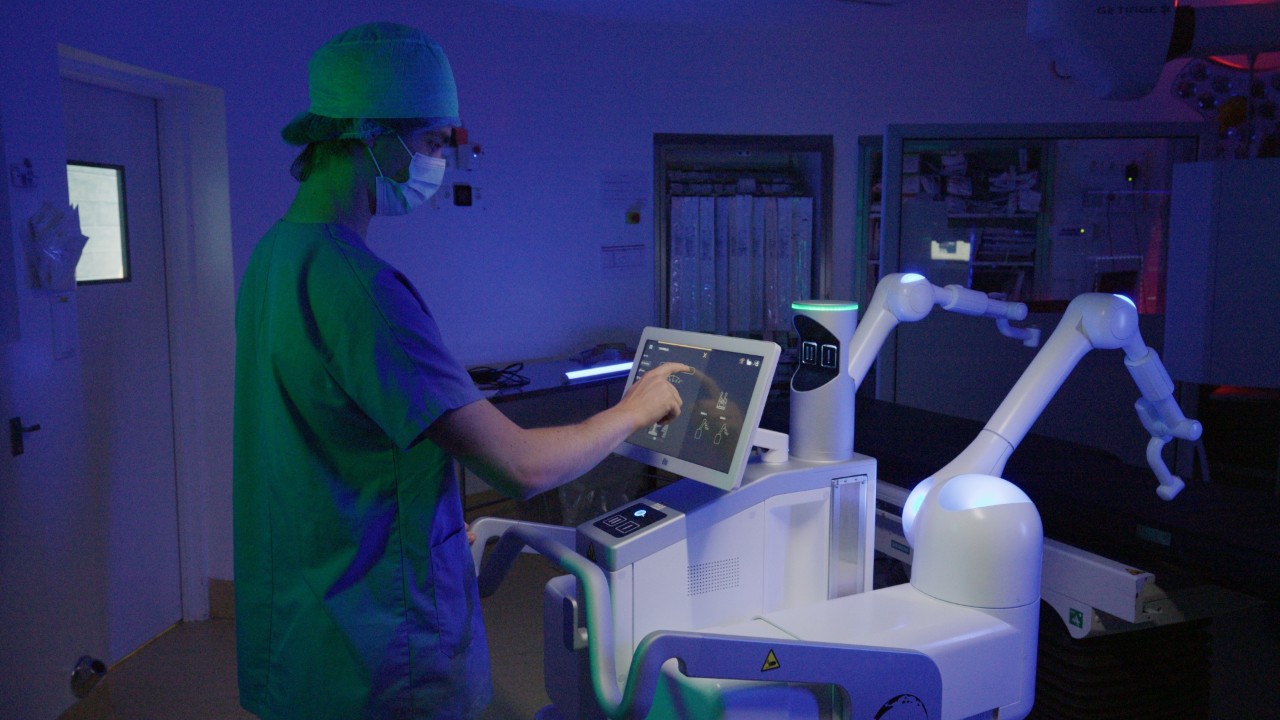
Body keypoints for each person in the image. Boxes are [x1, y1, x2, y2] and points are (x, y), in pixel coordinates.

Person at [232, 23, 686, 720]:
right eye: (436, 142)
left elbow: (335, 441)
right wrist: (635, 408)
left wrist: (437, 520)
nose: (445, 161)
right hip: (378, 648)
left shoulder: (275, 256)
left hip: (306, 620)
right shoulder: (360, 287)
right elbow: (523, 469)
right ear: (373, 135)